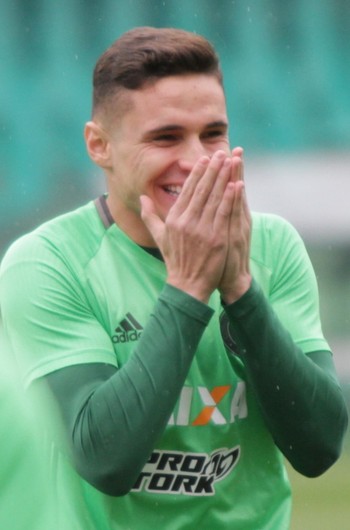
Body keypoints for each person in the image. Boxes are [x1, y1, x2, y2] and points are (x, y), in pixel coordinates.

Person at [0, 26, 348, 530]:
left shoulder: (272, 247)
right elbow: (105, 461)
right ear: (99, 146)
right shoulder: (47, 263)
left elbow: (318, 448)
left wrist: (240, 290)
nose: (196, 160)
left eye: (213, 134)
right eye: (165, 137)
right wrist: (186, 287)